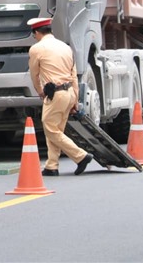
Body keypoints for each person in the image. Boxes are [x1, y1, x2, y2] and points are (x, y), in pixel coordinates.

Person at [27, 16, 94, 176]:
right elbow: (73, 76)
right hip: (69, 92)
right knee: (56, 130)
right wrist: (75, 99)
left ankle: (81, 156)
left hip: (55, 93)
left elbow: (34, 75)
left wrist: (40, 92)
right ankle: (52, 165)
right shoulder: (65, 47)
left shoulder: (37, 49)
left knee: (50, 129)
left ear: (36, 33)